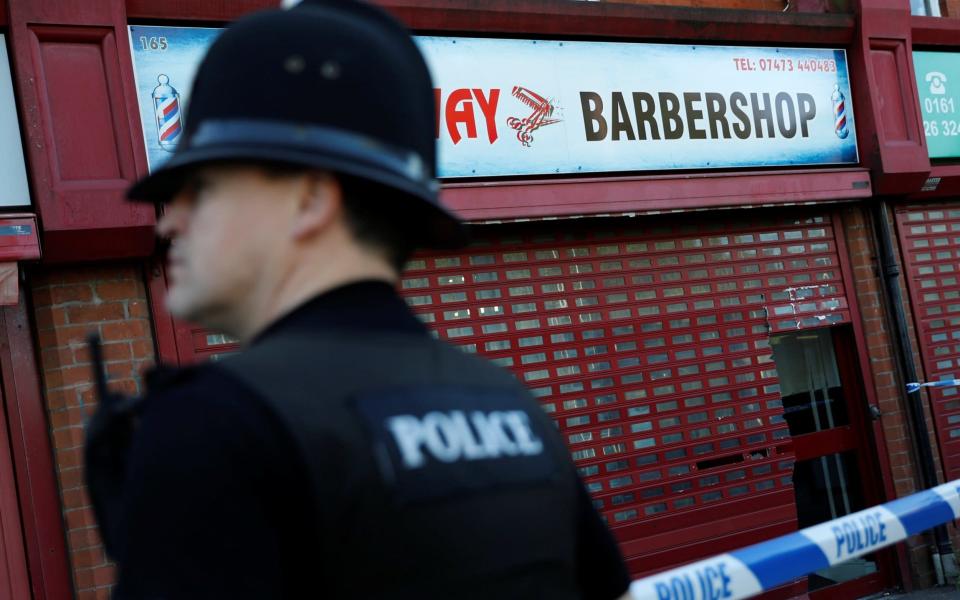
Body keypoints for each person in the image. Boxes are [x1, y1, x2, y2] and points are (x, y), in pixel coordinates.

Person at [84, 1, 633, 598]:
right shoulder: (511, 406)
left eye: (200, 188)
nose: (170, 223)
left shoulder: (219, 423)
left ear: (311, 200)